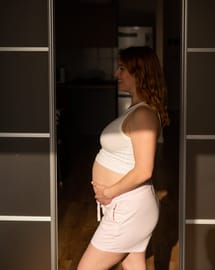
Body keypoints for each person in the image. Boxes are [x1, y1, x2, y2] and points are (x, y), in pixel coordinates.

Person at [77, 46, 170, 270]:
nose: (115, 74)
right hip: (127, 207)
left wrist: (109, 191)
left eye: (122, 68)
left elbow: (144, 170)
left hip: (128, 208)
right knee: (133, 264)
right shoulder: (137, 110)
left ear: (139, 73)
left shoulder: (144, 115)